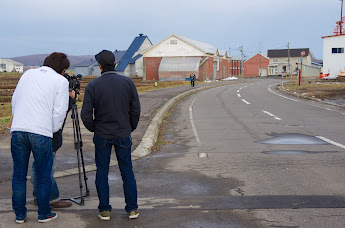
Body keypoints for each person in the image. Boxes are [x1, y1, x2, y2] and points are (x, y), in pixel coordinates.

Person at [10, 52, 70, 223]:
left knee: (19, 175)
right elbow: (59, 112)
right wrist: (49, 130)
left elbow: (15, 100)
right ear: (63, 70)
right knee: (44, 175)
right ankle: (44, 213)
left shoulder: (27, 74)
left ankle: (20, 215)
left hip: (19, 129)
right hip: (41, 132)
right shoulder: (61, 81)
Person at [81, 50, 141, 221]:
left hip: (102, 134)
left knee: (102, 172)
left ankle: (105, 210)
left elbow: (85, 114)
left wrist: (95, 128)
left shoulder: (93, 86)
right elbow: (135, 109)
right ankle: (132, 209)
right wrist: (130, 127)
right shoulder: (128, 83)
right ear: (115, 64)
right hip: (123, 133)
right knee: (127, 172)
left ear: (99, 66)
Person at [30, 94, 74, 209]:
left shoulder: (38, 89)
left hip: (35, 131)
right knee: (48, 169)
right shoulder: (54, 87)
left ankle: (38, 196)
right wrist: (70, 99)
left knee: (37, 166)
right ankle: (52, 198)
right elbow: (60, 112)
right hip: (49, 135)